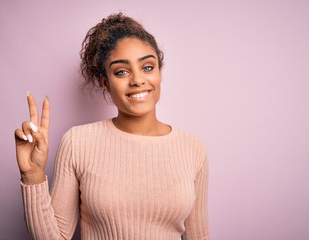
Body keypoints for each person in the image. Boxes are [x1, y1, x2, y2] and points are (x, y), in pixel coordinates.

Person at [14, 13, 210, 240]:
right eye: (122, 71)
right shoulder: (78, 143)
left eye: (148, 67)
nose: (137, 80)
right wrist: (33, 175)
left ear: (159, 73)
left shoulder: (193, 149)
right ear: (105, 82)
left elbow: (199, 236)